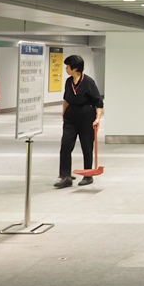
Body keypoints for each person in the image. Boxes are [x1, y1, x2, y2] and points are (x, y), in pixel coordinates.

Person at [55, 54, 104, 189]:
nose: (66, 69)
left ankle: (88, 175)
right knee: (65, 145)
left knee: (86, 146)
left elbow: (98, 102)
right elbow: (66, 99)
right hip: (70, 118)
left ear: (75, 68)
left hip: (86, 117)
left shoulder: (89, 82)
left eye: (67, 67)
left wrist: (97, 118)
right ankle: (65, 176)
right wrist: (64, 114)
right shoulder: (68, 82)